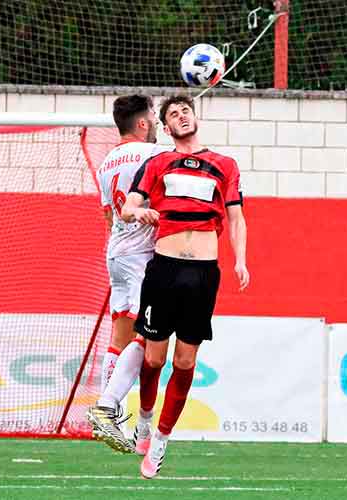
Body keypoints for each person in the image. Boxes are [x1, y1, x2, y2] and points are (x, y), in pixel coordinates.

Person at [96, 95, 249, 479]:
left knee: (184, 363)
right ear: (165, 128)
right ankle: (144, 421)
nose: (181, 116)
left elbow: (236, 218)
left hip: (202, 274)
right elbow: (127, 207)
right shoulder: (157, 161)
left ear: (196, 118)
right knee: (152, 358)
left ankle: (161, 441)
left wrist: (241, 259)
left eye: (185, 111)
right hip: (161, 270)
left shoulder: (224, 165)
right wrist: (139, 210)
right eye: (173, 114)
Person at [86, 95, 170, 454]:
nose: (154, 122)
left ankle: (112, 414)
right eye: (153, 116)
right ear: (142, 124)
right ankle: (108, 405)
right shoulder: (153, 156)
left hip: (116, 252)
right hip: (141, 255)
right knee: (150, 335)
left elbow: (109, 215)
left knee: (119, 335)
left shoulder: (106, 161)